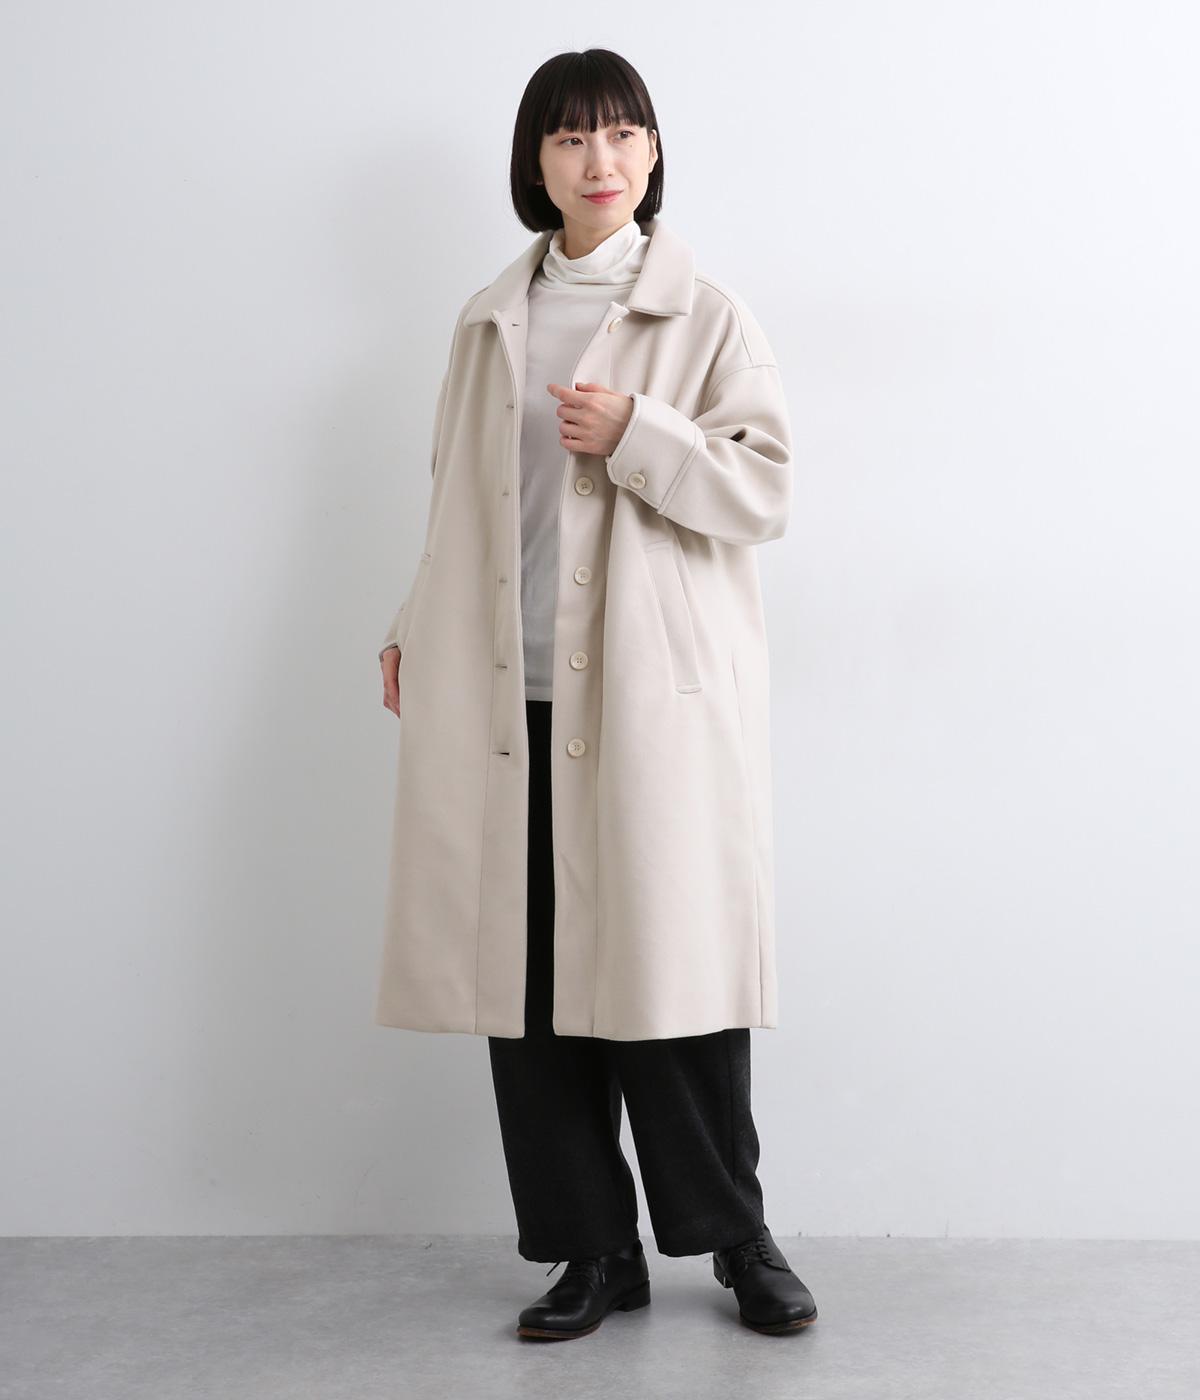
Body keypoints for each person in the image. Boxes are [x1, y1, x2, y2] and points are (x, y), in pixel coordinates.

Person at [376, 48, 817, 1341]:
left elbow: (765, 489)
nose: (600, 160)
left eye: (623, 134)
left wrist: (641, 436)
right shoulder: (486, 321)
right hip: (505, 693)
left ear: (654, 152)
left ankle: (736, 1238)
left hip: (645, 694)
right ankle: (591, 1251)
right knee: (528, 996)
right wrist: (410, 623)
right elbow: (462, 499)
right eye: (572, 139)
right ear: (537, 163)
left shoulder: (706, 316)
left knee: (671, 977)